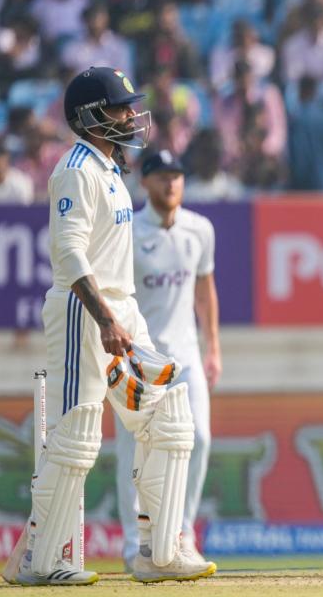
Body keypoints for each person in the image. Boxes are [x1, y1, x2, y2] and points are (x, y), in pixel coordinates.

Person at [1, 67, 215, 586]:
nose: (128, 115)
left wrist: (121, 317)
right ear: (90, 116)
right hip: (85, 314)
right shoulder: (75, 169)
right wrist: (103, 319)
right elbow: (68, 252)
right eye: (118, 107)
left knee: (168, 416)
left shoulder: (110, 167)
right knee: (76, 435)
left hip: (125, 309)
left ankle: (158, 553)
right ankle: (41, 560)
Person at [114, 150, 221, 573]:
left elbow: (205, 290)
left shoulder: (200, 230)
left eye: (177, 175)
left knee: (201, 438)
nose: (171, 184)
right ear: (145, 182)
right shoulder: (128, 232)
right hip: (139, 359)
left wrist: (213, 347)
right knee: (134, 455)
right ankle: (132, 545)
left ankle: (181, 534)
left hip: (187, 359)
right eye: (162, 176)